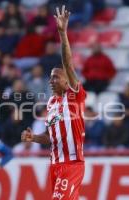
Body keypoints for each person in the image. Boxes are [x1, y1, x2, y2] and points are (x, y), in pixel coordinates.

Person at [21, 6, 86, 200]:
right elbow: (52, 138)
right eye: (50, 77)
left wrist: (62, 33)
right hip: (55, 165)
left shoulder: (74, 95)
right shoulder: (51, 103)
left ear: (68, 81)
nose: (52, 80)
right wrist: (34, 138)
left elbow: (67, 63)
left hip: (72, 164)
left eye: (56, 77)